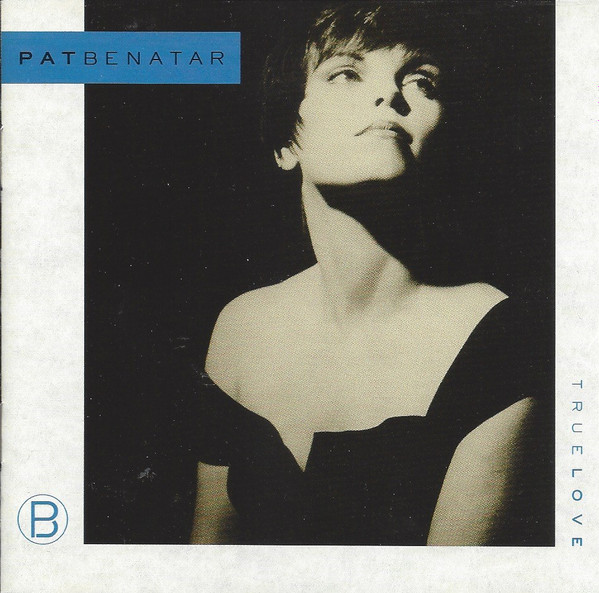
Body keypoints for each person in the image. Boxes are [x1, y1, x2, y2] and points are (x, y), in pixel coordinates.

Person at [189, 2, 551, 545]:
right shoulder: (241, 326)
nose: (390, 95)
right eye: (347, 74)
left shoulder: (502, 334)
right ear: (288, 143)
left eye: (420, 81)